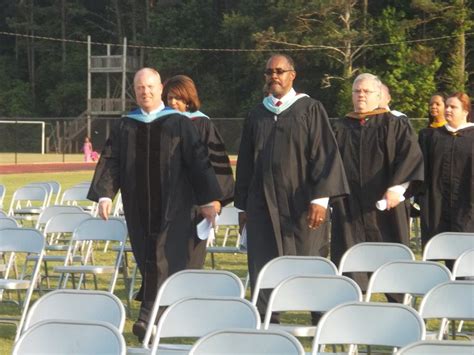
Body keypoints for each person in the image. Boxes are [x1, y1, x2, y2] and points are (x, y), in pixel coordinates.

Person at [87, 67, 223, 341]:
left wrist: (209, 200)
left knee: (163, 256)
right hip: (137, 206)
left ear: (160, 88)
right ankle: (160, 316)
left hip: (175, 205)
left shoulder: (180, 123)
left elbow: (199, 162)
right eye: (139, 88)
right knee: (148, 257)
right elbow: (111, 160)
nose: (145, 92)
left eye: (150, 87)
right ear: (134, 91)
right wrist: (104, 194)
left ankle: (148, 315)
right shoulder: (126, 124)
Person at [234, 54, 349, 321]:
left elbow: (324, 153)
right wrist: (243, 207)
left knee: (309, 260)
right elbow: (246, 164)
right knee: (264, 264)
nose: (274, 76)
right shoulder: (257, 114)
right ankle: (266, 321)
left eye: (279, 71)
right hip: (262, 205)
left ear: (292, 75)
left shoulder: (309, 109)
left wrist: (321, 199)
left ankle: (320, 320)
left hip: (302, 205)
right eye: (269, 72)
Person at [330, 73, 424, 293]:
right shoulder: (340, 127)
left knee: (391, 265)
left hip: (386, 206)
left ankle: (397, 312)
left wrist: (397, 189)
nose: (361, 95)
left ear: (379, 95)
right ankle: (352, 309)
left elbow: (411, 157)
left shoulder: (395, 125)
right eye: (357, 91)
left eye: (366, 91)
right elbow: (327, 164)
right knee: (350, 267)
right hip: (349, 208)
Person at [162, 74, 234, 269]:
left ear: (189, 100)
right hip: (165, 205)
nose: (173, 102)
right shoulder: (161, 126)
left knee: (188, 261)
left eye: (178, 98)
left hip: (195, 205)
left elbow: (216, 166)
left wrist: (214, 199)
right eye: (169, 98)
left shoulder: (202, 124)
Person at [420, 92, 474, 249]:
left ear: (465, 111)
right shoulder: (432, 136)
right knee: (437, 248)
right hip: (437, 203)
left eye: (453, 107)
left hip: (467, 202)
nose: (448, 110)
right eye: (447, 106)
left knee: (466, 251)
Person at [417, 94, 447, 243]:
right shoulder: (425, 134)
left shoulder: (453, 134)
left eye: (437, 104)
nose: (433, 107)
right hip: (429, 191)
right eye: (431, 104)